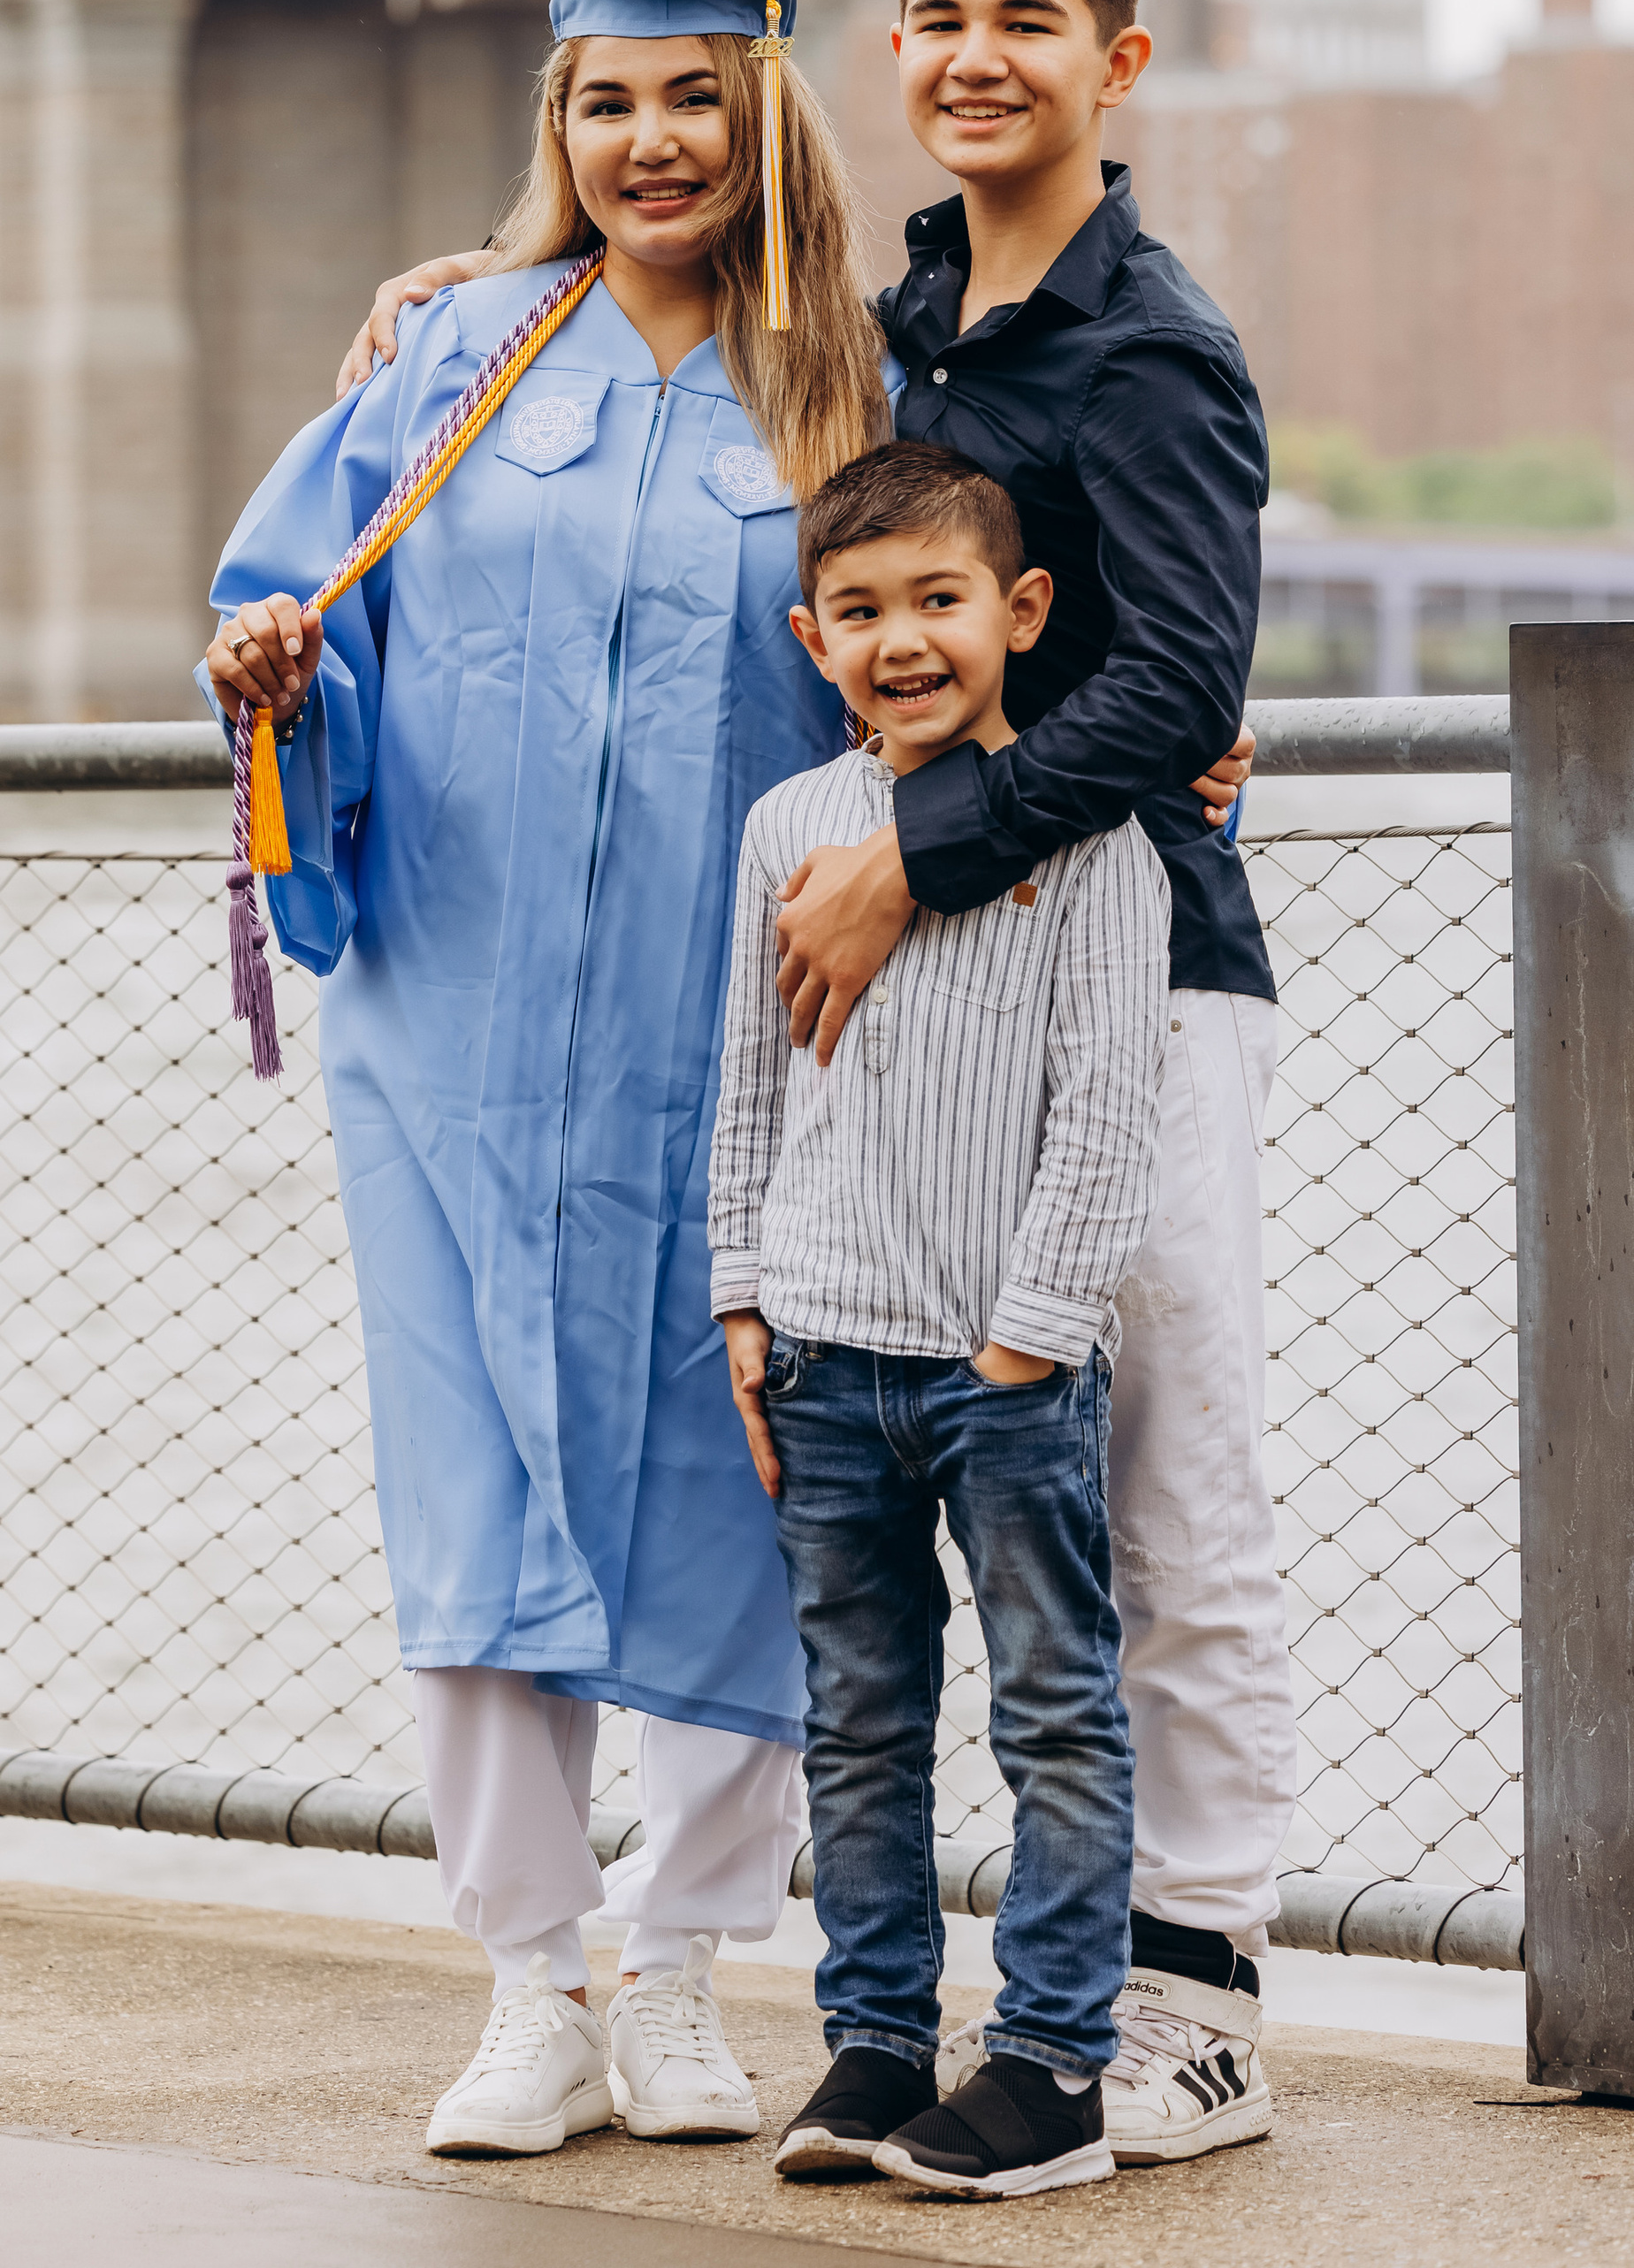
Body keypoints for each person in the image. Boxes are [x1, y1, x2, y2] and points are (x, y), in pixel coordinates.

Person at [332, 0, 1289, 2167]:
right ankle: (933, 2006)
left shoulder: (1151, 343)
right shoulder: (907, 324)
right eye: (940, 18)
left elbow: (1176, 676)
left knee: (1160, 1495)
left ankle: (1198, 1996)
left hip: (1131, 963)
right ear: (891, 55)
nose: (974, 57)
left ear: (1115, 61)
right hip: (918, 1003)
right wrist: (494, 276)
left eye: (1025, 22)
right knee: (911, 1513)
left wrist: (913, 848)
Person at [201, 0, 894, 2159]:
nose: (649, 142)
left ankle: (680, 1971)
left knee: (744, 1488)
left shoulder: (856, 387)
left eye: (694, 96)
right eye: (606, 101)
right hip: (459, 1031)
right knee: (472, 1480)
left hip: (749, 1047)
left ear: (764, 115)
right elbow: (307, 616)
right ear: (556, 125)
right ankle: (528, 1983)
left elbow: (947, 672)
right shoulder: (457, 355)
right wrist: (273, 670)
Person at [710, 439, 1166, 2200]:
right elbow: (747, 1080)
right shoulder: (787, 828)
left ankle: (1049, 2063)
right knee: (858, 1716)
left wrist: (1025, 1339)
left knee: (1052, 1711)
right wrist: (743, 1294)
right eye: (858, 609)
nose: (900, 639)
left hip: (1005, 1371)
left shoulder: (1087, 833)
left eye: (938, 599)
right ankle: (878, 2040)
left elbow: (1107, 1113)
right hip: (824, 1355)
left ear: (1019, 609)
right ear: (810, 635)